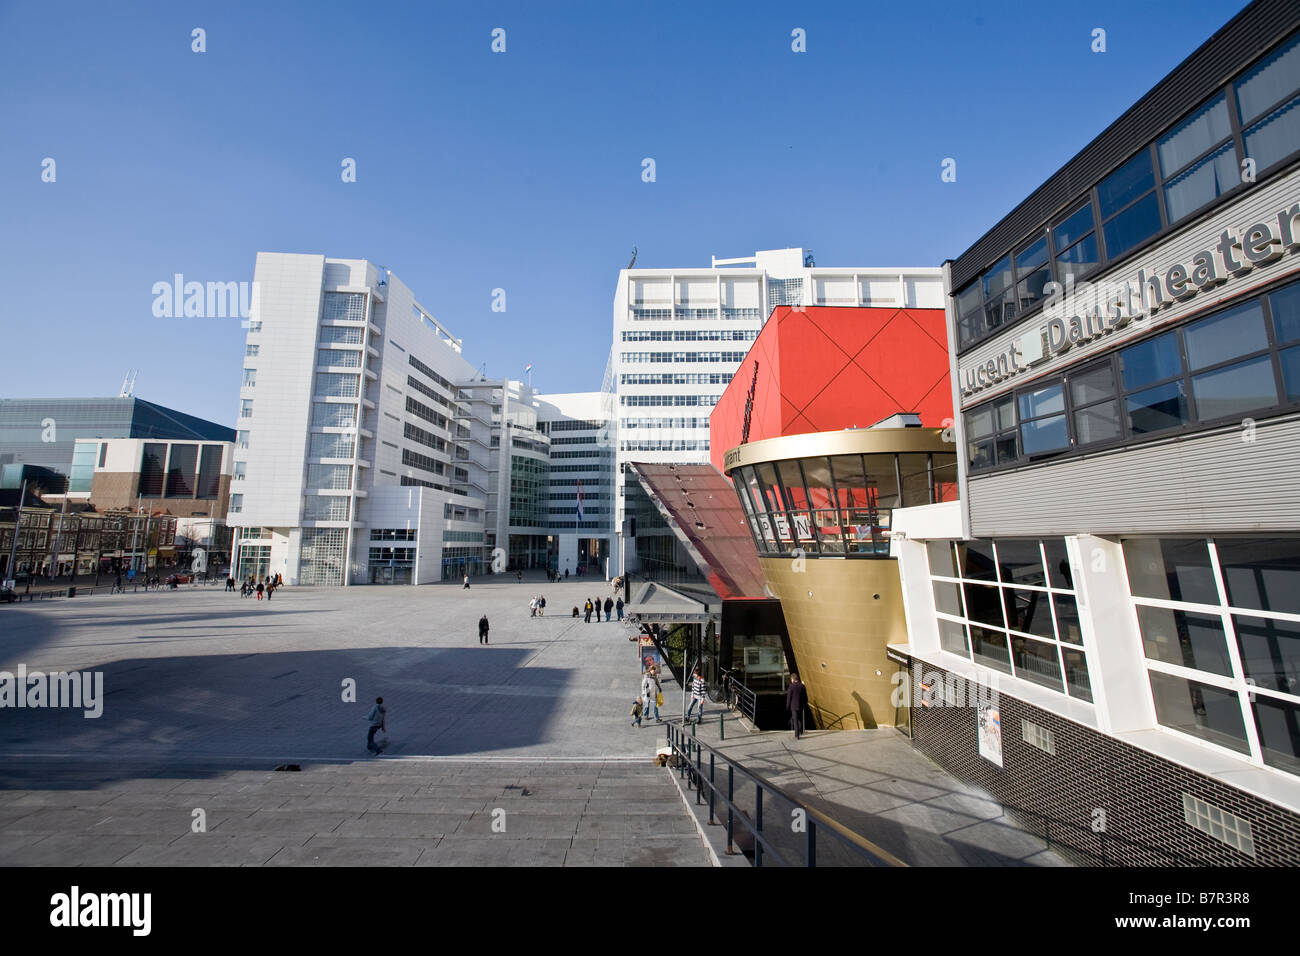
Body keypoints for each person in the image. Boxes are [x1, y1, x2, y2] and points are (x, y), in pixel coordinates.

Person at [787, 673, 808, 739]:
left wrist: (787, 706)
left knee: (795, 720)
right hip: (800, 705)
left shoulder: (791, 686)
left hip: (793, 706)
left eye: (791, 679)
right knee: (800, 719)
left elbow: (789, 698)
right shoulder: (802, 686)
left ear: (793, 679)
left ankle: (797, 735)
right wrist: (805, 704)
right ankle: (801, 731)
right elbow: (805, 697)